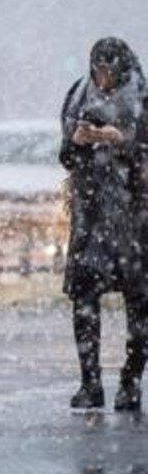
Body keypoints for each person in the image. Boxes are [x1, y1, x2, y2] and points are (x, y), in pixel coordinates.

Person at [59, 37, 148, 411]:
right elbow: (66, 157)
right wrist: (79, 141)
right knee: (84, 297)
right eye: (97, 71)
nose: (103, 80)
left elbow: (142, 164)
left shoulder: (142, 102)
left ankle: (130, 381)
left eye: (110, 72)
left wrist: (126, 143)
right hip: (91, 216)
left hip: (135, 218)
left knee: (139, 301)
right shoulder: (79, 96)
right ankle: (90, 382)